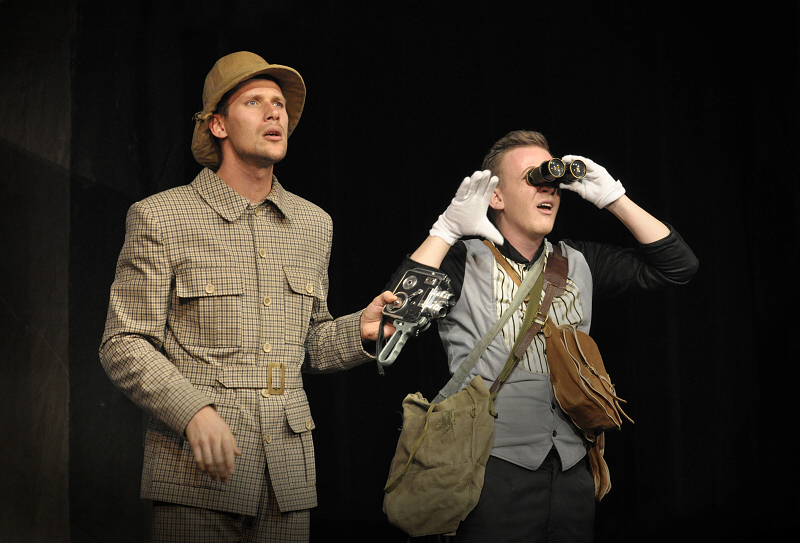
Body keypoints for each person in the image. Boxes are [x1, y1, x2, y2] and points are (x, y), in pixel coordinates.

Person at [99, 51, 396, 543]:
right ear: (217, 124)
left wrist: (358, 332)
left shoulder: (313, 224)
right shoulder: (161, 217)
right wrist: (192, 411)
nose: (274, 112)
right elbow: (124, 342)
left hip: (287, 478)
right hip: (195, 476)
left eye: (279, 103)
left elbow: (307, 345)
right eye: (254, 102)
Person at [387, 130, 699, 542]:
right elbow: (398, 312)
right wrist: (445, 231)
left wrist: (614, 198)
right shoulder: (463, 260)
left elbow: (679, 266)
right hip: (487, 468)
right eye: (532, 178)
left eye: (552, 180)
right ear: (496, 197)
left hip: (572, 471)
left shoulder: (579, 260)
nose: (548, 187)